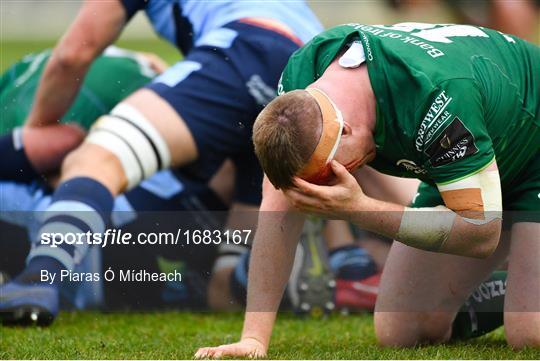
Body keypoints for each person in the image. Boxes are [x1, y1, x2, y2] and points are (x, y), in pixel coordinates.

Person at [196, 22, 539, 357]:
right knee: (402, 330)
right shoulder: (301, 80)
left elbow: (481, 231)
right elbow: (279, 202)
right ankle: (513, 284)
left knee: (530, 332)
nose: (337, 177)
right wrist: (254, 339)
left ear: (343, 130)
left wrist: (358, 208)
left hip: (532, 149)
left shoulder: (436, 97)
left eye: (333, 170)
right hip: (476, 162)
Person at [0, 0, 324, 323]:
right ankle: (304, 262)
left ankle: (40, 275)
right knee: (223, 289)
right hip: (307, 81)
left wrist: (33, 139)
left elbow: (72, 55)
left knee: (97, 158)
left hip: (244, 51)